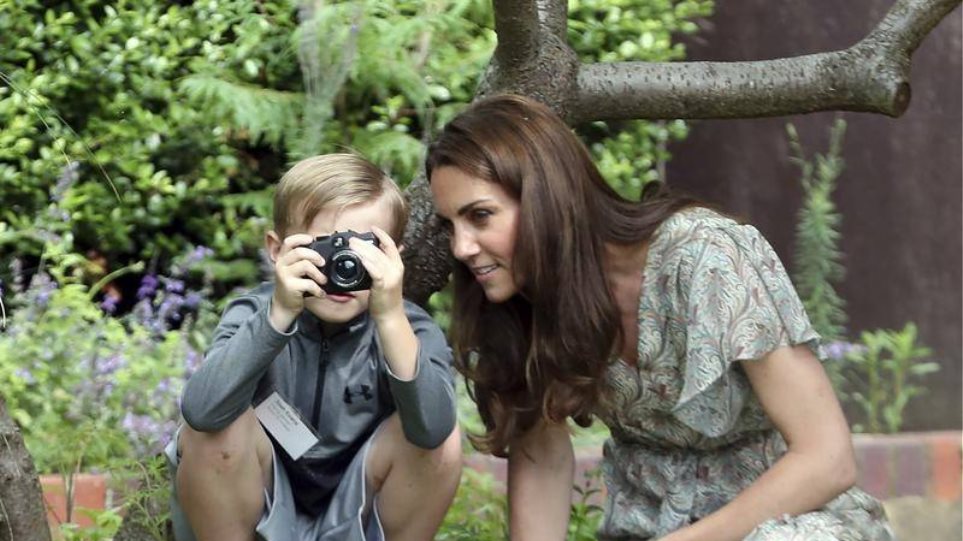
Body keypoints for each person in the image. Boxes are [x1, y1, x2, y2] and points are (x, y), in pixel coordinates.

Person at [426, 94, 893, 541]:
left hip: (791, 523)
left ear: (546, 199)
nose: (461, 248)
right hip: (648, 528)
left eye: (480, 216)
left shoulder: (705, 257)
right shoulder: (520, 308)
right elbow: (542, 458)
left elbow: (827, 459)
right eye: (450, 226)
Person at [167, 154, 462, 541]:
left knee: (445, 440)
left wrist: (390, 318)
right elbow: (201, 413)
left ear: (394, 258)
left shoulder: (410, 328)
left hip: (358, 502)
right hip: (260, 500)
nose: (343, 265)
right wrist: (278, 315)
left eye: (364, 250)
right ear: (277, 250)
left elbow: (433, 432)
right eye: (325, 246)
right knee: (218, 428)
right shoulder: (256, 312)